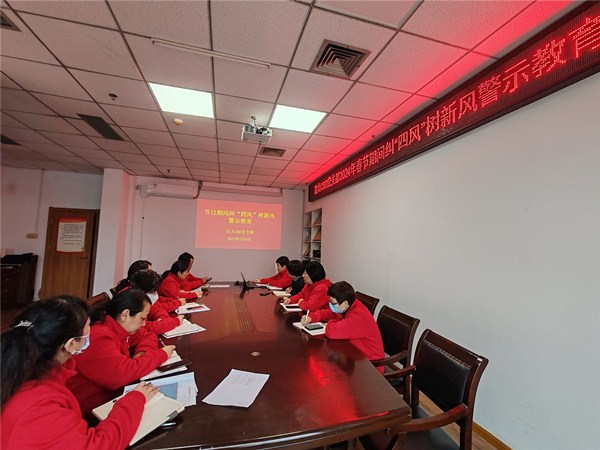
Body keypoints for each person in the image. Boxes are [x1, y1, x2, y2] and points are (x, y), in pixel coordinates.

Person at [1, 296, 159, 449]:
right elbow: (99, 446)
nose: (92, 331)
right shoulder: (40, 404)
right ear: (70, 344)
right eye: (88, 327)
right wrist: (134, 400)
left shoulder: (20, 369)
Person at [67, 289, 174, 416]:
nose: (144, 323)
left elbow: (148, 335)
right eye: (142, 318)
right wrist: (162, 354)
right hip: (89, 412)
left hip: (110, 400)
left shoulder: (119, 327)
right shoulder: (99, 336)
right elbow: (123, 374)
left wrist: (141, 354)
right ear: (125, 315)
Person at [301, 281, 384, 372]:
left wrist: (331, 322)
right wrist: (311, 317)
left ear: (344, 303)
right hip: (352, 355)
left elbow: (332, 332)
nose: (330, 305)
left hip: (370, 365)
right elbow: (326, 313)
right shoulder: (346, 306)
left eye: (332, 303)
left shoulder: (358, 315)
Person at [130, 269, 184, 335]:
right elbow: (146, 328)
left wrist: (161, 319)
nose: (155, 295)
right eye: (153, 292)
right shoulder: (131, 303)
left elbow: (156, 309)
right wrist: (175, 321)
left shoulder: (140, 299)